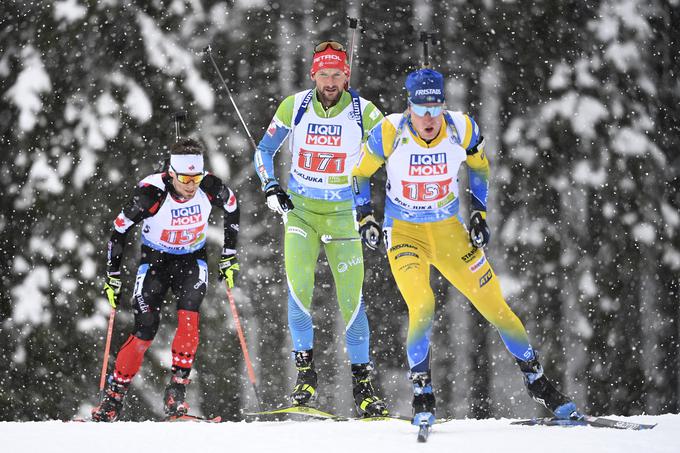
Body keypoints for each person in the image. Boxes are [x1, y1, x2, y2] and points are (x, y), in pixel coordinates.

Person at [351, 68, 578, 427]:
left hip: (449, 233)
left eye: (435, 108)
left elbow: (479, 168)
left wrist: (479, 214)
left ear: (444, 105)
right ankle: (422, 391)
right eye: (420, 109)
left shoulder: (462, 129)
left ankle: (537, 380)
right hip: (405, 234)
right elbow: (360, 174)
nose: (428, 118)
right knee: (422, 304)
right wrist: (364, 218)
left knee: (496, 305)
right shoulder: (391, 132)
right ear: (408, 107)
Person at [253, 41, 388, 417]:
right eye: (324, 74)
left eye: (337, 74)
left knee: (353, 302)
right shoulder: (293, 106)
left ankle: (363, 386)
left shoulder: (366, 112)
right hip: (301, 213)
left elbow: (396, 153)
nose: (330, 82)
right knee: (298, 294)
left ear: (347, 75)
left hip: (344, 214)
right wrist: (270, 187)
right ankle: (305, 375)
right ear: (313, 75)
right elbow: (263, 151)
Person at [92, 138, 241, 422]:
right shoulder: (151, 194)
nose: (191, 184)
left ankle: (177, 393)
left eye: (196, 177)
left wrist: (229, 255)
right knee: (145, 330)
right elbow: (119, 229)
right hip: (155, 264)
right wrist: (112, 274)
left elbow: (233, 209)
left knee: (189, 320)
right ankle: (112, 400)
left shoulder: (210, 187)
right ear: (171, 173)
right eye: (184, 178)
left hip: (191, 261)